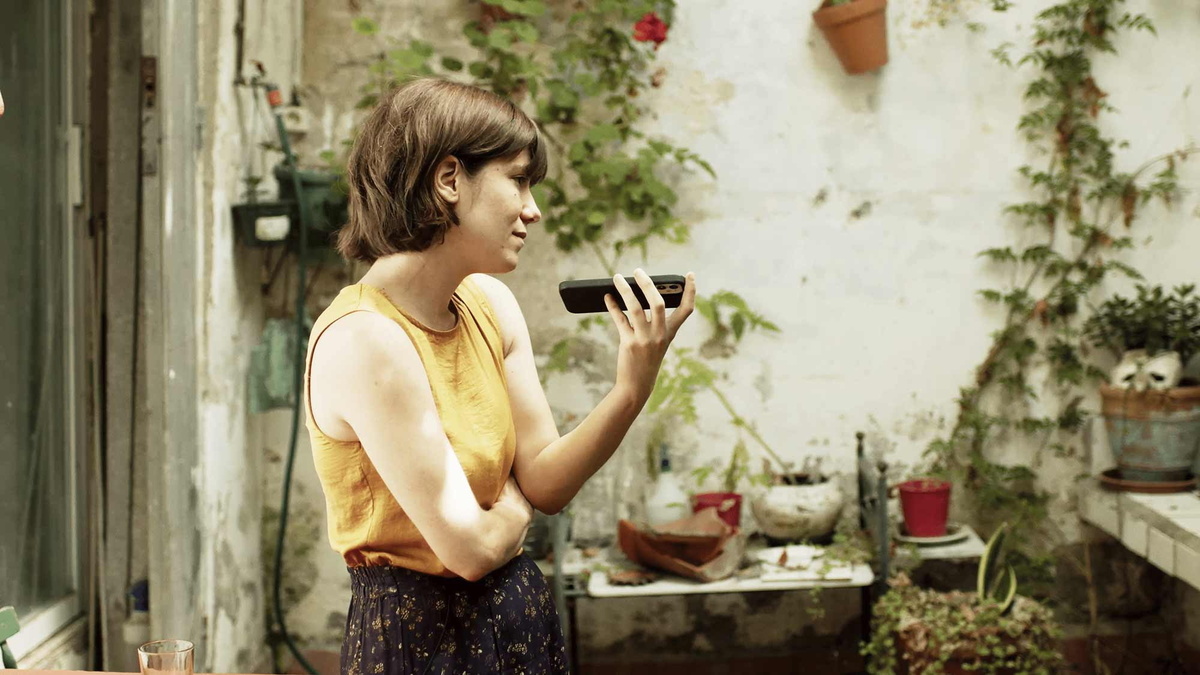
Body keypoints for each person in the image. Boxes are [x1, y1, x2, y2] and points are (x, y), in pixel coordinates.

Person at [304, 77, 696, 675]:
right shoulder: (366, 340)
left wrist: (631, 387)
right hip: (420, 646)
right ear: (449, 179)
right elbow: (472, 549)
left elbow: (545, 484)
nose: (532, 210)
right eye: (518, 180)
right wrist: (513, 508)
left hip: (518, 623)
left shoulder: (488, 302)